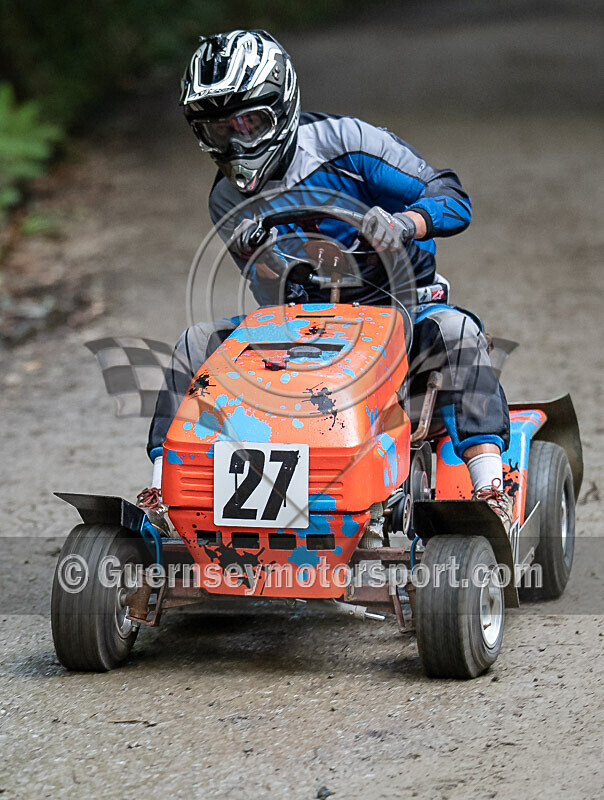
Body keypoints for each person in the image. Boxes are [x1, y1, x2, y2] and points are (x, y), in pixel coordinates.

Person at [137, 29, 513, 532]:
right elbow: (269, 298)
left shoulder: (350, 144)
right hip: (306, 324)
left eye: (251, 121)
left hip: (401, 307)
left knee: (456, 332)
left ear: (282, 104)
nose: (239, 140)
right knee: (197, 342)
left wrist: (405, 222)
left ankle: (490, 488)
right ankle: (165, 494)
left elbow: (450, 195)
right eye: (221, 129)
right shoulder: (227, 200)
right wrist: (265, 260)